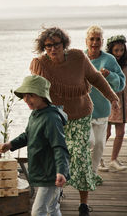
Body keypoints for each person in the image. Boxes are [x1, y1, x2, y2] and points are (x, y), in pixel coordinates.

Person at [30, 27, 119, 216]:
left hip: (80, 115)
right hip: (55, 118)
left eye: (56, 44)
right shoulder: (40, 64)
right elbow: (34, 91)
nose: (53, 49)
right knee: (57, 158)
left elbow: (95, 78)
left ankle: (83, 204)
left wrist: (112, 97)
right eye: (48, 46)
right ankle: (57, 193)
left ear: (64, 44)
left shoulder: (78, 58)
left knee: (80, 156)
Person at [0, 75, 70, 216]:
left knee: (38, 212)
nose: (26, 99)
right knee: (52, 208)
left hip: (51, 173)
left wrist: (61, 171)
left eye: (31, 95)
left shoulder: (51, 118)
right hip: (43, 169)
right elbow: (28, 135)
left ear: (43, 96)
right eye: (24, 96)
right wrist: (10, 144)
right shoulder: (36, 113)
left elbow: (59, 147)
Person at [84, 26, 125, 179]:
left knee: (100, 145)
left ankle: (92, 175)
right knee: (89, 142)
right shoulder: (80, 57)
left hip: (101, 110)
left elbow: (121, 83)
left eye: (98, 39)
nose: (95, 42)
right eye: (92, 39)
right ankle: (85, 172)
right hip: (83, 110)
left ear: (102, 41)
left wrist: (109, 75)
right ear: (86, 41)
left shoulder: (109, 59)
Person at [105, 35, 127, 171]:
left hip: (124, 102)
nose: (119, 53)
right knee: (104, 133)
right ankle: (98, 158)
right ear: (111, 50)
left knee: (120, 132)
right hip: (108, 101)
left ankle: (113, 159)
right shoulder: (107, 63)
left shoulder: (126, 63)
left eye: (122, 50)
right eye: (116, 50)